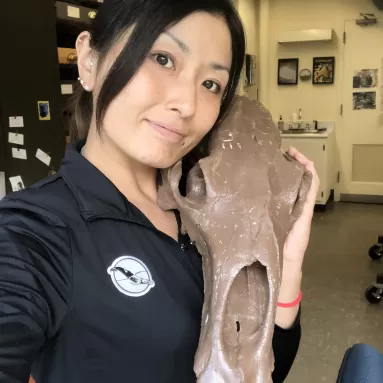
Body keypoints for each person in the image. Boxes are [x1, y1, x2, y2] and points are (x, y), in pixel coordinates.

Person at [0, 0, 319, 382]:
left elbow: (259, 367)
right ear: (88, 60)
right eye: (163, 59)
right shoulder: (35, 230)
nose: (187, 104)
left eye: (210, 84)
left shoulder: (205, 204)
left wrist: (288, 257)